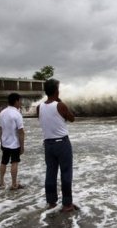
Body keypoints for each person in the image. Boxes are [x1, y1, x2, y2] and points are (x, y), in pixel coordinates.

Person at [37, 78, 77, 212]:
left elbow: (46, 119)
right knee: (66, 173)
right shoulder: (60, 105)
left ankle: (51, 202)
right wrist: (60, 102)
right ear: (56, 91)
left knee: (50, 172)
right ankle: (67, 204)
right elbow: (72, 118)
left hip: (48, 144)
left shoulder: (39, 107)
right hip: (62, 143)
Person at [0, 93, 25, 190]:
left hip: (5, 142)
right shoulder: (17, 114)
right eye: (20, 101)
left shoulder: (2, 113)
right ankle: (14, 184)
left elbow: (0, 129)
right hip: (14, 144)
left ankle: (1, 181)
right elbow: (21, 132)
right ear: (16, 101)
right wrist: (22, 146)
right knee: (14, 162)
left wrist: (1, 141)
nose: (20, 103)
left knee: (3, 162)